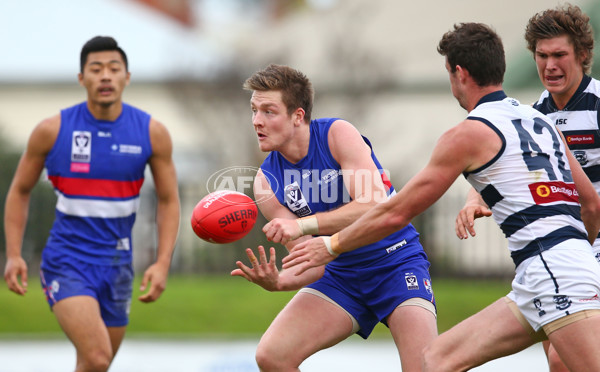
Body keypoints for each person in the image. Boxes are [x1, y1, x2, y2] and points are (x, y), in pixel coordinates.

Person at [282, 23, 600, 371]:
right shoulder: (541, 121)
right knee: (435, 360)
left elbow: (395, 212)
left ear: (459, 73)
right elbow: (591, 204)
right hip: (542, 276)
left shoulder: (466, 134)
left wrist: (331, 245)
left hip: (554, 272)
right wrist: (577, 258)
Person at [230, 64, 437, 372]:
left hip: (395, 262)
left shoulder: (337, 134)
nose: (257, 121)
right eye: (254, 110)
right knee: (272, 357)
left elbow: (373, 203)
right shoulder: (266, 182)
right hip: (341, 277)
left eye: (269, 111)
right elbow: (311, 262)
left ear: (298, 116)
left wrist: (302, 224)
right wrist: (280, 281)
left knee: (424, 367)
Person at [3, 36, 180, 372]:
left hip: (118, 264)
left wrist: (162, 262)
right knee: (97, 356)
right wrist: (14, 254)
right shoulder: (51, 130)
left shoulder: (152, 132)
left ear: (127, 77)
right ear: (81, 77)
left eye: (114, 69)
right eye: (95, 69)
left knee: (94, 364)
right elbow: (19, 191)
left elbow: (169, 200)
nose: (105, 76)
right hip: (67, 261)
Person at [454, 5, 599, 371]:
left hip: (583, 248)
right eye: (541, 55)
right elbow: (507, 164)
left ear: (582, 55)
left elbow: (590, 202)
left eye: (559, 55)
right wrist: (474, 199)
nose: (550, 65)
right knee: (559, 357)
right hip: (566, 250)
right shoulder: (533, 116)